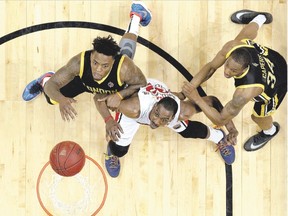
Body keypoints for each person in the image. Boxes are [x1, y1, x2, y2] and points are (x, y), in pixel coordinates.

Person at [22, 1, 152, 141]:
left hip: (115, 86)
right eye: (95, 63)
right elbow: (51, 87)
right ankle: (45, 78)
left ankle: (137, 16)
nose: (98, 70)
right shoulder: (79, 62)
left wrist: (120, 95)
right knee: (51, 99)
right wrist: (62, 100)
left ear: (113, 62)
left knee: (127, 54)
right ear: (91, 55)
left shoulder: (124, 67)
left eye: (104, 66)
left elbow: (142, 84)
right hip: (84, 83)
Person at [182, 10, 287, 151]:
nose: (226, 72)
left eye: (233, 71)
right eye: (227, 65)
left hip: (277, 84)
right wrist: (188, 89)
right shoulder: (233, 46)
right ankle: (260, 18)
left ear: (244, 69)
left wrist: (197, 98)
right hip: (275, 59)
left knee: (258, 117)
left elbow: (221, 119)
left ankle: (270, 131)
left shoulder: (244, 93)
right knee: (243, 37)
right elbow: (211, 67)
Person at [101, 78, 238, 177]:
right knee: (119, 148)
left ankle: (219, 136)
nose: (156, 121)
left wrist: (230, 128)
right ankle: (112, 153)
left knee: (189, 131)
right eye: (156, 114)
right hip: (138, 102)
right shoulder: (132, 108)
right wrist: (108, 120)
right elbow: (100, 99)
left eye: (165, 120)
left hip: (164, 97)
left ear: (173, 118)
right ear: (154, 107)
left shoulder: (183, 111)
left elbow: (213, 101)